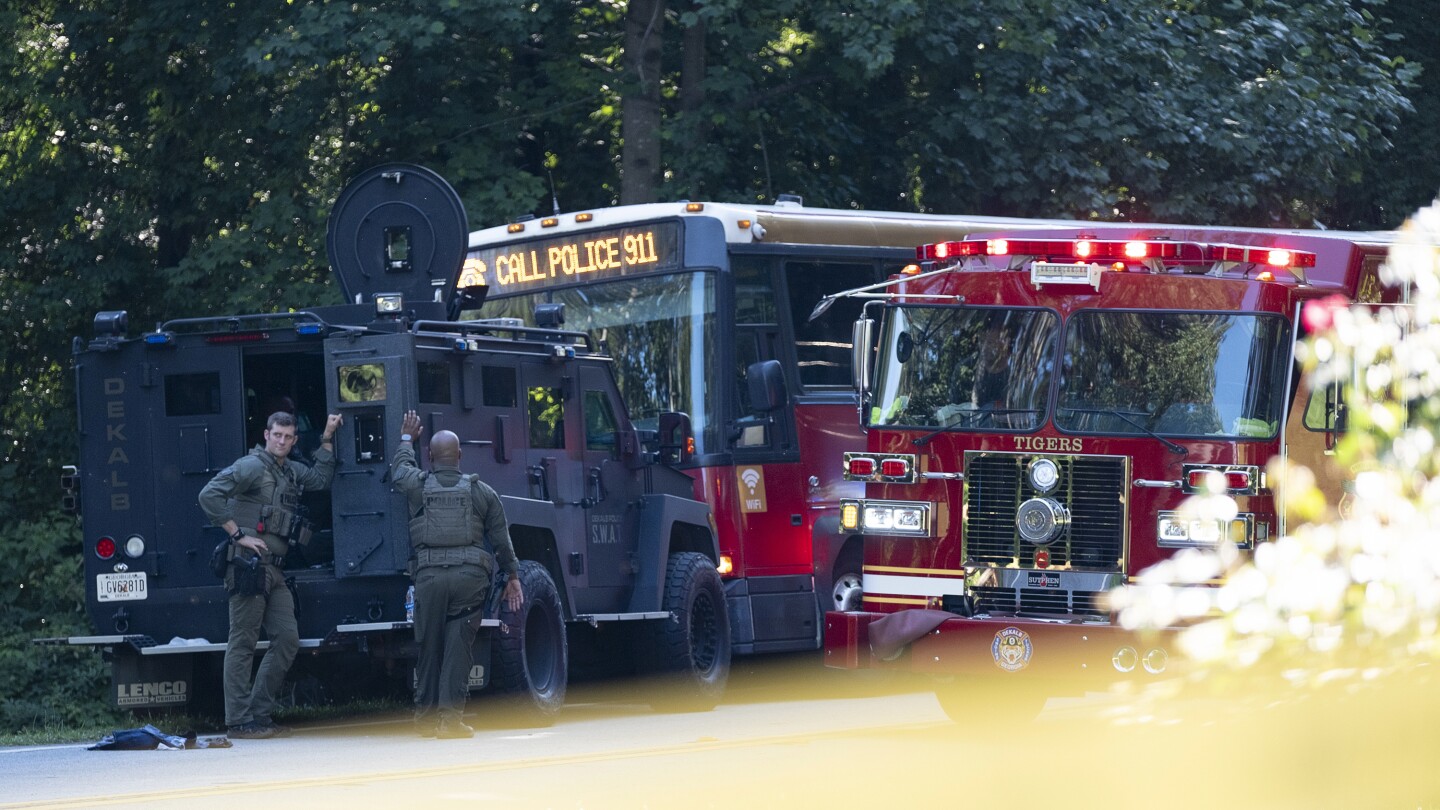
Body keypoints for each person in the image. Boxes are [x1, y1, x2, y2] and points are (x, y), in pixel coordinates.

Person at [199, 410, 343, 740]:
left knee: (287, 640)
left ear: (294, 440)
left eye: (288, 436)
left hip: (275, 570)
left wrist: (327, 435)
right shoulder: (251, 466)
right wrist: (237, 535)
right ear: (266, 435)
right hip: (249, 566)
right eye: (276, 434)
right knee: (243, 643)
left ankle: (259, 714)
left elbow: (321, 479)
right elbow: (209, 495)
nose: (281, 440)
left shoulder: (289, 470)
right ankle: (238, 720)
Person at [392, 410, 523, 739]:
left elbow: (399, 471)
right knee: (457, 648)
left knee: (429, 646)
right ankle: (450, 722)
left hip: (430, 579)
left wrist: (407, 439)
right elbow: (501, 539)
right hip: (469, 581)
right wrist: (513, 576)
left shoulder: (418, 486)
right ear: (460, 456)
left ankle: (424, 718)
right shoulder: (483, 492)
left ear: (430, 456)